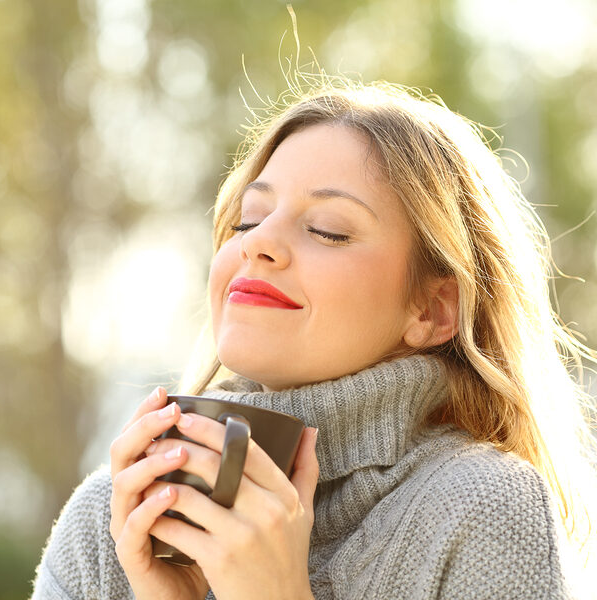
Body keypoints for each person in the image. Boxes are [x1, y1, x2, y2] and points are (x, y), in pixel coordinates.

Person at [30, 76, 597, 599]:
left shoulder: (486, 509)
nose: (257, 244)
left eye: (327, 230)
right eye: (247, 221)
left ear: (433, 308)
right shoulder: (112, 521)